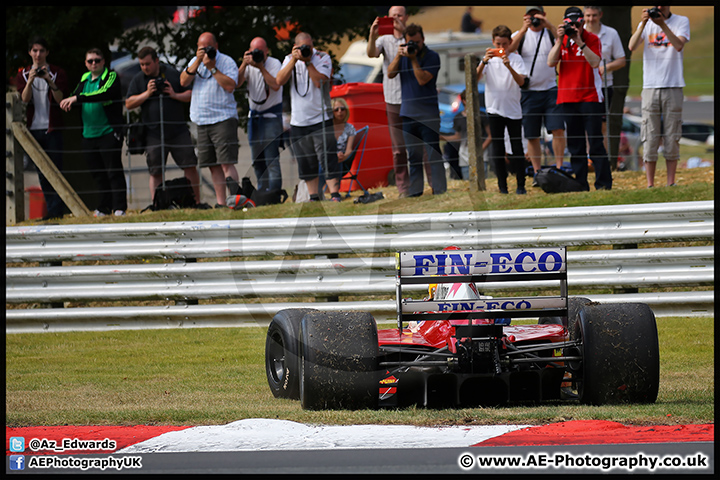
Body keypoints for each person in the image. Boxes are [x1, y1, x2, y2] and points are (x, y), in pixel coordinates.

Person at [125, 46, 201, 204]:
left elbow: (190, 94)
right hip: (152, 133)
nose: (145, 67)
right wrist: (147, 93)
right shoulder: (138, 79)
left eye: (148, 64)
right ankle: (157, 204)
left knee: (190, 165)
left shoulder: (173, 74)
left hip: (178, 130)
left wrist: (174, 94)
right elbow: (129, 103)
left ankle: (195, 202)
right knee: (155, 171)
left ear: (156, 61)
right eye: (142, 64)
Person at [548, 6, 612, 191]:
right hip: (568, 98)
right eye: (570, 23)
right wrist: (560, 40)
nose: (574, 27)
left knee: (595, 143)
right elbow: (551, 62)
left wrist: (579, 41)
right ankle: (581, 184)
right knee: (575, 145)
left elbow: (594, 62)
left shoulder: (592, 39)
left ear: (582, 23)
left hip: (589, 97)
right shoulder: (562, 40)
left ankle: (603, 184)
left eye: (577, 23)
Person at [60, 48, 127, 217]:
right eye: (90, 61)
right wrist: (71, 100)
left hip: (108, 132)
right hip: (88, 134)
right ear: (85, 63)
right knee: (97, 174)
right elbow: (75, 96)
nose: (94, 64)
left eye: (97, 60)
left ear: (104, 61)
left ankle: (120, 207)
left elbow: (103, 94)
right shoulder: (84, 78)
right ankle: (104, 207)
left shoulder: (110, 76)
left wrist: (78, 98)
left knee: (114, 171)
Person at [276, 32, 343, 202]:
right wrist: (293, 60)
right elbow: (279, 81)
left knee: (328, 158)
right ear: (295, 47)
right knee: (306, 162)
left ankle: (334, 194)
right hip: (299, 120)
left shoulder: (322, 57)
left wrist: (308, 63)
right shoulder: (289, 59)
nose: (308, 50)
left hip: (321, 118)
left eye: (309, 46)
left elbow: (319, 82)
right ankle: (314, 197)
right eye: (303, 47)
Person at [628, 5, 689, 188]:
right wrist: (644, 24)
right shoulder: (646, 23)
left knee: (672, 134)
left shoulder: (681, 21)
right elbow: (631, 46)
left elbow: (678, 45)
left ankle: (671, 182)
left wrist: (662, 25)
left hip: (673, 85)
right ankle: (650, 184)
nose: (659, 7)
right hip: (650, 87)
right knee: (650, 134)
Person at [180, 32, 240, 207]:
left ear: (216, 46)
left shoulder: (227, 61)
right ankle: (221, 203)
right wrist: (198, 62)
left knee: (226, 162)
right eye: (201, 47)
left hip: (223, 118)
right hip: (202, 119)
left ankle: (235, 200)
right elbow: (183, 81)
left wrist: (212, 67)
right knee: (212, 164)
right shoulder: (194, 61)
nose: (205, 50)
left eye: (208, 47)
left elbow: (230, 86)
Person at [507, 6, 567, 181]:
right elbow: (509, 50)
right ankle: (537, 171)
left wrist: (549, 25)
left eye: (537, 15)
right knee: (532, 134)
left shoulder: (549, 33)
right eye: (531, 16)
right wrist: (524, 28)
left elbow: (564, 43)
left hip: (550, 89)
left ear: (544, 15)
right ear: (525, 17)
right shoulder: (521, 34)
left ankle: (559, 167)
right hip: (529, 91)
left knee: (557, 129)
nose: (534, 19)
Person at [387, 23, 447, 197]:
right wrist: (399, 56)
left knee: (432, 153)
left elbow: (422, 80)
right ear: (405, 42)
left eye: (417, 42)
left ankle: (439, 189)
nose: (415, 45)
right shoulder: (403, 56)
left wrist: (413, 59)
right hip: (408, 114)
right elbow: (390, 74)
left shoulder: (432, 57)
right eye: (410, 42)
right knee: (413, 155)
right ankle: (415, 191)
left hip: (428, 115)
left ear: (423, 40)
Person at [15, 37, 68, 219]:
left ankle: (58, 210)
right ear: (30, 52)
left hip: (52, 128)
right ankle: (52, 211)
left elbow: (61, 100)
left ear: (47, 52)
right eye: (35, 51)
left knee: (56, 169)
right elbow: (24, 99)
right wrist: (30, 80)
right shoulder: (22, 75)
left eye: (41, 51)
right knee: (42, 172)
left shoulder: (57, 72)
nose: (38, 55)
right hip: (34, 129)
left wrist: (48, 80)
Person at [477, 25, 529, 194]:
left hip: (513, 110)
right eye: (498, 44)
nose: (501, 48)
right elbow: (474, 78)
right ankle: (502, 186)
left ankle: (521, 185)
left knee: (517, 148)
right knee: (498, 149)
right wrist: (484, 60)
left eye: (504, 44)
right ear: (493, 42)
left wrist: (509, 66)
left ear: (510, 43)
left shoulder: (516, 59)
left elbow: (522, 82)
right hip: (494, 109)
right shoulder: (488, 60)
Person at [367, 6, 411, 196]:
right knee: (398, 149)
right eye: (392, 16)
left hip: (412, 98)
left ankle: (425, 184)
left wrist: (404, 31)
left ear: (406, 17)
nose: (395, 19)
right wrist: (372, 34)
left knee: (417, 146)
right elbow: (371, 54)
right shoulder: (384, 39)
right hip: (393, 98)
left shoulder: (411, 35)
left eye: (399, 15)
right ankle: (403, 188)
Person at [238, 37, 284, 192]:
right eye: (253, 51)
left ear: (266, 51)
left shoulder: (274, 63)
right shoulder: (248, 65)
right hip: (255, 118)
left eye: (259, 51)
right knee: (257, 159)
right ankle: (262, 191)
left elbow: (276, 85)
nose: (256, 54)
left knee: (271, 158)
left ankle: (274, 194)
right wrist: (244, 64)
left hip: (271, 117)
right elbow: (236, 84)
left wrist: (261, 67)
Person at [583, 6, 627, 152]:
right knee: (584, 125)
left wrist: (605, 68)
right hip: (583, 86)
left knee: (602, 125)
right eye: (588, 15)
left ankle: (603, 160)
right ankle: (588, 159)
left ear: (600, 15)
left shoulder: (611, 33)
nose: (591, 19)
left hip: (604, 86)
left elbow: (621, 60)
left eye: (594, 15)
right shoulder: (578, 34)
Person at [440, 90, 491, 180]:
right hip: (465, 157)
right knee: (468, 182)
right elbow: (458, 137)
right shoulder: (458, 117)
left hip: (482, 157)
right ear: (464, 100)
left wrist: (481, 148)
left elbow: (490, 135)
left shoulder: (481, 115)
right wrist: (441, 137)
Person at [332, 97, 356, 167]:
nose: (340, 111)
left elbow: (349, 150)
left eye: (342, 109)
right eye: (336, 109)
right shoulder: (326, 128)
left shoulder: (350, 128)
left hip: (341, 162)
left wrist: (343, 157)